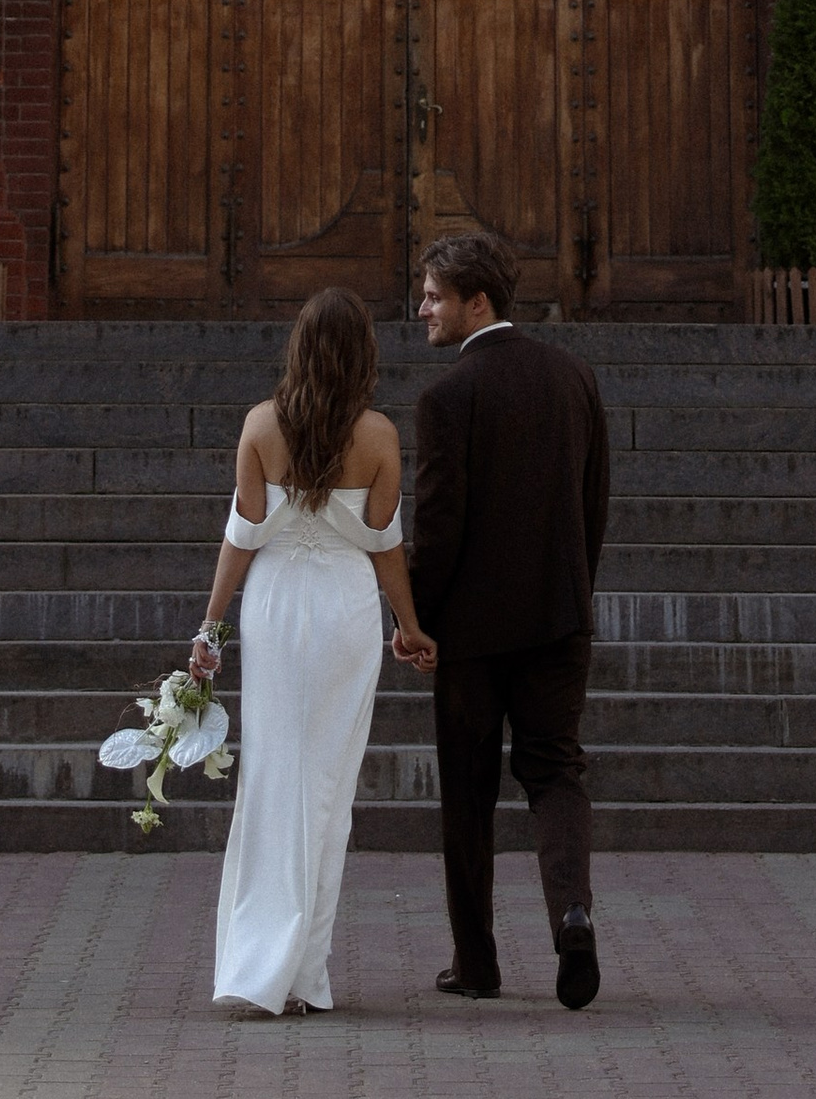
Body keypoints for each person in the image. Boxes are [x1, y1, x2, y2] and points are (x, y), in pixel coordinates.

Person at [188, 284, 437, 1017]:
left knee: (272, 776)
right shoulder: (381, 438)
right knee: (327, 789)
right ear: (364, 356)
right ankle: (300, 975)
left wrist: (211, 627)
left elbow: (242, 536)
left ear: (298, 348)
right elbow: (386, 546)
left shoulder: (261, 426)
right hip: (342, 613)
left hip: (274, 607)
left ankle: (264, 965)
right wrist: (410, 625)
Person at [408, 229, 611, 1009]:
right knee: (556, 773)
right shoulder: (573, 376)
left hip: (469, 634)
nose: (422, 308)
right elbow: (594, 501)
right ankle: (572, 914)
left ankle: (477, 961)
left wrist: (417, 619)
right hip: (559, 618)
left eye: (434, 296)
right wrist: (574, 592)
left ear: (476, 302)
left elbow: (441, 527)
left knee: (467, 791)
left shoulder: (447, 397)